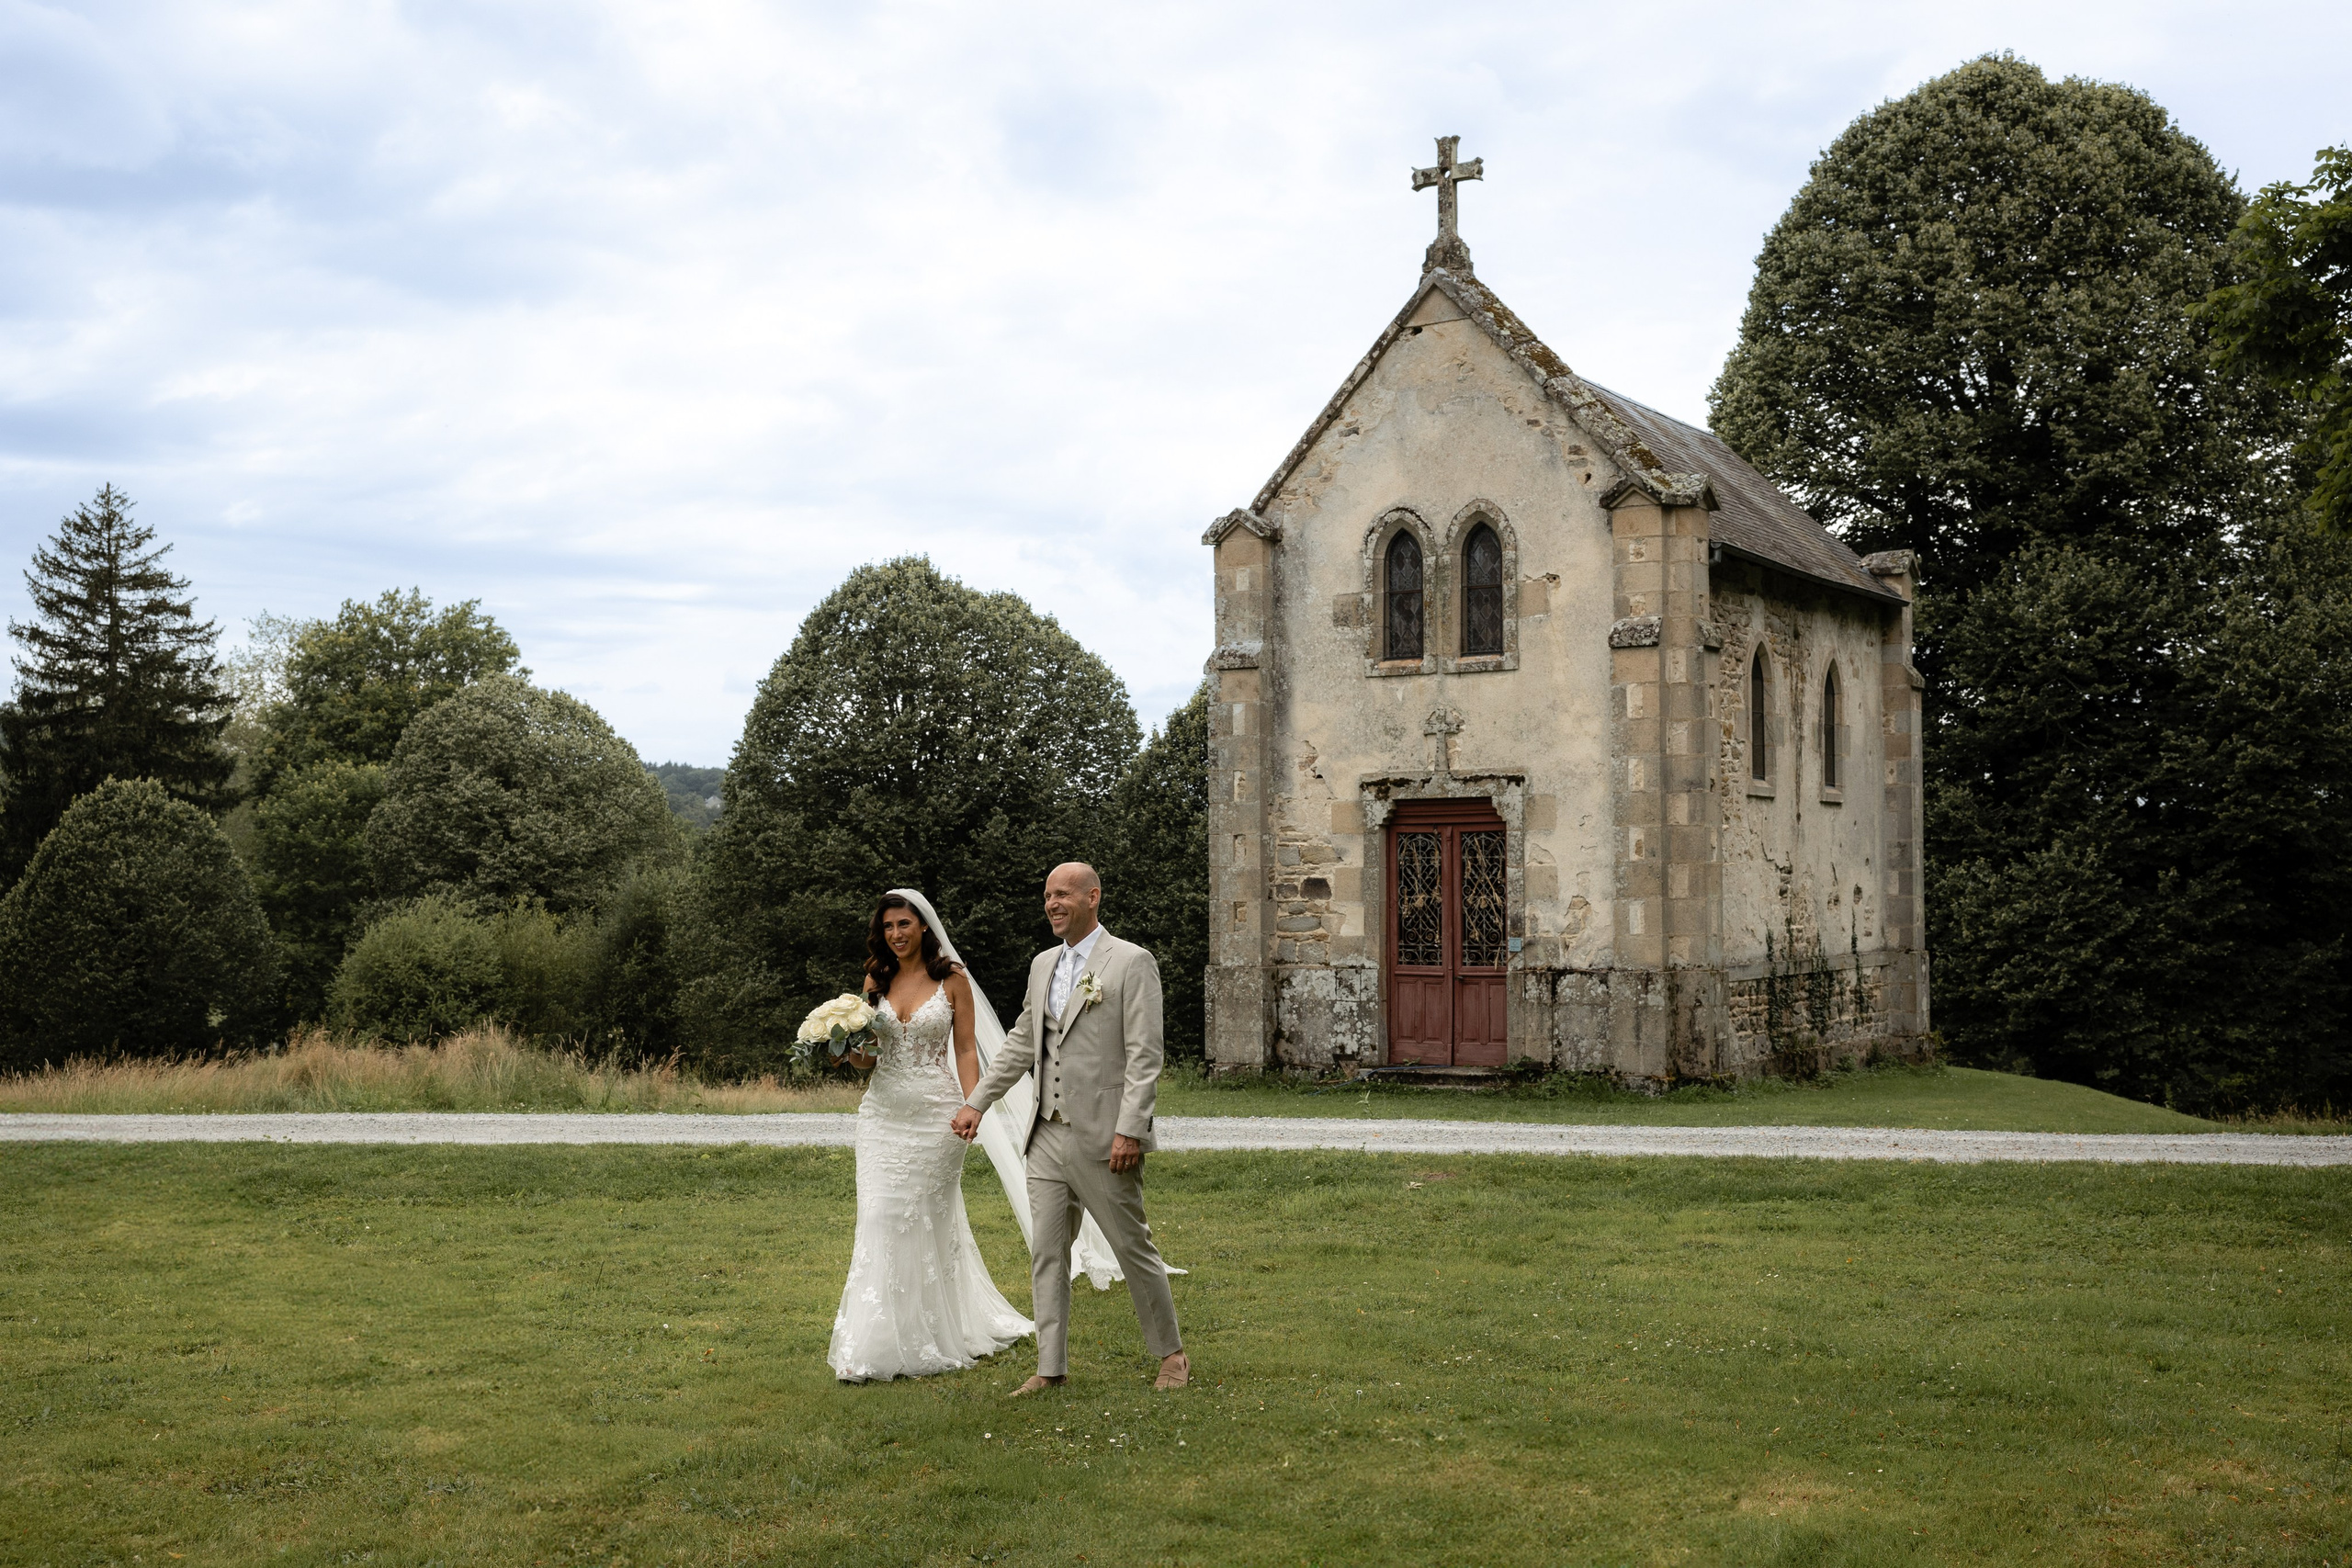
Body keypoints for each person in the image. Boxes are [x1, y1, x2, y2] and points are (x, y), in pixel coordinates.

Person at [952, 863, 1190, 1394]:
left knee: (1132, 1247)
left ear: (1092, 897)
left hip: (1106, 1135)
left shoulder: (1131, 961)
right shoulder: (1042, 965)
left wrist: (1130, 1129)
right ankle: (1050, 1367)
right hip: (1046, 1136)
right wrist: (978, 1103)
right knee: (1048, 1251)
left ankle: (1171, 1355)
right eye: (1047, 896)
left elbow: (1145, 1056)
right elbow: (1020, 1041)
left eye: (1062, 894)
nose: (1052, 904)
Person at [825, 892, 1033, 1382]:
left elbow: (964, 1051)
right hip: (880, 1115)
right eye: (888, 927)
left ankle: (932, 1334)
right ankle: (872, 1343)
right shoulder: (876, 979)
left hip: (937, 1116)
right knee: (878, 1216)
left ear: (923, 927)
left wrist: (972, 1103)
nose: (896, 934)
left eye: (904, 924)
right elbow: (870, 1058)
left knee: (923, 1220)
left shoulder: (952, 979)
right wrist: (844, 1050)